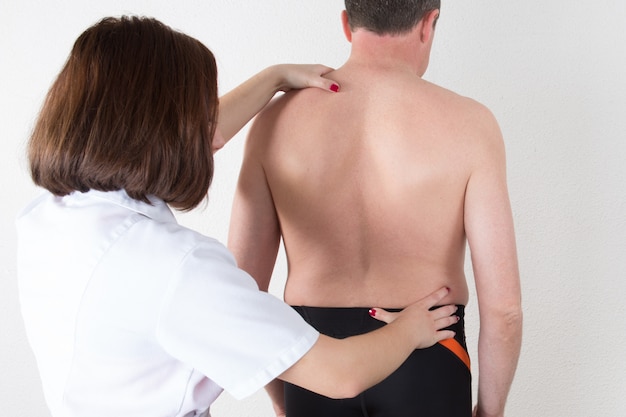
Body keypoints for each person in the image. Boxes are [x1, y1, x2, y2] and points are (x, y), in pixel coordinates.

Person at [16, 15, 461, 417]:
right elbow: (339, 375)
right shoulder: (176, 269)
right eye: (200, 111)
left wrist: (274, 78)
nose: (214, 133)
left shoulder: (47, 220)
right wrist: (410, 330)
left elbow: (198, 134)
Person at [228, 1, 523, 416]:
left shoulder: (273, 123)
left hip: (313, 361)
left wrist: (283, 395)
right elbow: (504, 311)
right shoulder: (471, 125)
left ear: (347, 24)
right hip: (429, 352)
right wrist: (490, 412)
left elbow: (240, 296)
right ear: (428, 24)